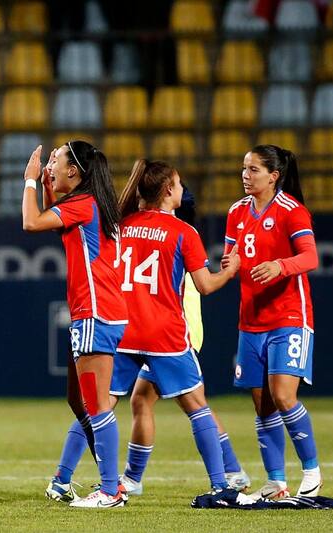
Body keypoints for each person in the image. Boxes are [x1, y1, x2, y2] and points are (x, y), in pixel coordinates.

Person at [107, 159, 242, 497]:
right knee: (194, 404)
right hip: (167, 333)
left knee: (106, 405)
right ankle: (224, 480)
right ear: (169, 190)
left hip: (126, 332)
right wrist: (230, 271)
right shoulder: (183, 232)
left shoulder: (122, 225)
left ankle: (98, 480)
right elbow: (205, 285)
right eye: (179, 184)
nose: (182, 189)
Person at [23, 142, 128, 509]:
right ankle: (105, 483)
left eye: (57, 160)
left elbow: (31, 222)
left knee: (97, 405)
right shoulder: (91, 204)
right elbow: (55, 222)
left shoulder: (83, 204)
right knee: (79, 400)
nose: (50, 166)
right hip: (100, 310)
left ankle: (110, 490)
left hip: (95, 312)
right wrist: (46, 183)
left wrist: (29, 181)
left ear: (74, 171)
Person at [223, 144, 321, 500]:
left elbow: (310, 257)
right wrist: (228, 265)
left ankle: (312, 471)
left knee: (283, 395)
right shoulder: (236, 212)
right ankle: (276, 482)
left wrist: (280, 266)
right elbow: (231, 256)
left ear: (273, 176)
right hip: (251, 320)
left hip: (289, 316)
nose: (245, 175)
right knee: (263, 403)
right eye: (244, 168)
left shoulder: (292, 211)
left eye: (253, 170)